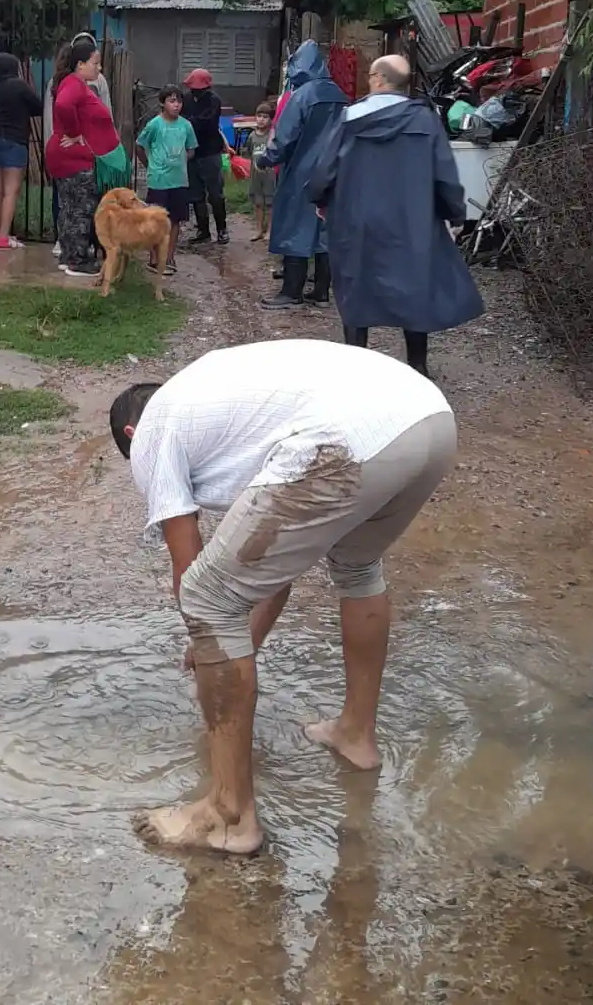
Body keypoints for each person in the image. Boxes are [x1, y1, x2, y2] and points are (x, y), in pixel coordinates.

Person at [109, 339, 457, 854]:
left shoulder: (154, 431)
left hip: (348, 436)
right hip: (427, 418)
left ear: (132, 436)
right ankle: (355, 735)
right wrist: (237, 639)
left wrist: (207, 640)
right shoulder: (231, 413)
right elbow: (275, 566)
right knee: (357, 567)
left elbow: (192, 573)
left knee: (207, 594)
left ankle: (228, 815)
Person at [307, 54, 484, 376]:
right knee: (414, 287)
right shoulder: (425, 120)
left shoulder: (349, 119)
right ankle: (417, 367)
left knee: (355, 287)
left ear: (378, 79)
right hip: (412, 221)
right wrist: (454, 213)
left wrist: (319, 199)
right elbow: (444, 173)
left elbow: (324, 169)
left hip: (355, 220)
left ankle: (355, 366)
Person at [257, 42, 347, 311]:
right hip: (335, 170)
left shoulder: (302, 96)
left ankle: (291, 292)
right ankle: (321, 292)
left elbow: (285, 138)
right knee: (324, 231)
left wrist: (266, 158)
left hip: (302, 171)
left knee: (295, 227)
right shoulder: (339, 94)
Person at [45, 40, 125, 277]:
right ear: (80, 64)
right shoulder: (75, 84)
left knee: (70, 208)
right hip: (75, 160)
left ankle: (69, 255)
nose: (99, 69)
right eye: (95, 63)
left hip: (66, 158)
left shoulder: (73, 83)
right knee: (82, 209)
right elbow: (63, 104)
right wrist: (74, 132)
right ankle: (78, 261)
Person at [136, 86, 197, 275]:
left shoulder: (186, 125)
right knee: (156, 220)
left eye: (179, 101)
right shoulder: (155, 124)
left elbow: (191, 149)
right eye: (172, 101)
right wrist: (150, 165)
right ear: (163, 103)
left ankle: (169, 256)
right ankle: (154, 258)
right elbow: (140, 146)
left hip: (179, 180)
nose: (176, 105)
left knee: (175, 220)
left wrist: (179, 161)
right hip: (158, 181)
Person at [0, 53, 42, 249]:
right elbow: (38, 106)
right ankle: (3, 236)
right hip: (14, 141)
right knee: (10, 192)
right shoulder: (19, 86)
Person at [181, 68, 229, 246]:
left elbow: (205, 123)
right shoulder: (185, 99)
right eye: (193, 87)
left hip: (210, 152)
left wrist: (187, 122)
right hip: (192, 152)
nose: (195, 91)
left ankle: (222, 229)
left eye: (199, 88)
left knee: (215, 193)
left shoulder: (214, 101)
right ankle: (203, 230)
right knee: (196, 194)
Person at [247, 102, 276, 242]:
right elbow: (248, 153)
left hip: (270, 176)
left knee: (270, 203)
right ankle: (258, 229)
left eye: (265, 117)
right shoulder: (252, 136)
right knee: (258, 203)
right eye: (259, 116)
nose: (261, 119)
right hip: (256, 175)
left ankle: (270, 230)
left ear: (271, 119)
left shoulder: (272, 135)